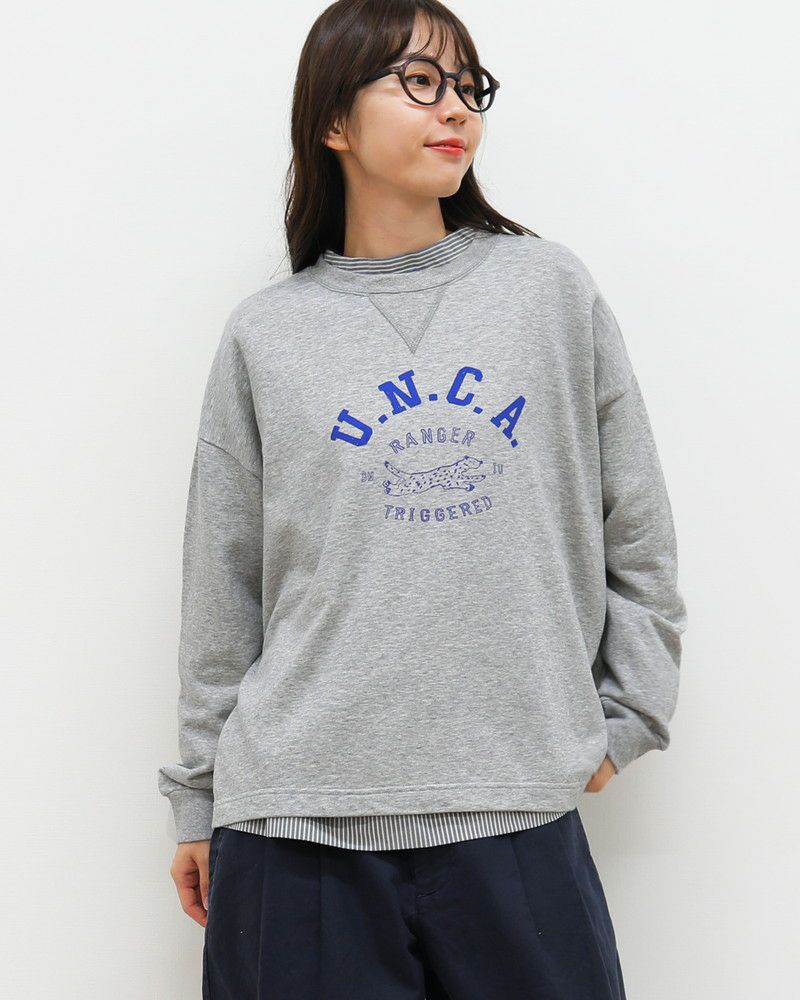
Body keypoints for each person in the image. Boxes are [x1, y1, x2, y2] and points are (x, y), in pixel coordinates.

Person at [157, 1, 688, 996]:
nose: (455, 109)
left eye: (467, 85)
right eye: (419, 81)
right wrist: (198, 796)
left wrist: (626, 717)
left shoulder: (546, 290)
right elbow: (222, 586)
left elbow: (638, 529)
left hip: (514, 807)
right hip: (295, 822)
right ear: (333, 120)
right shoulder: (268, 334)